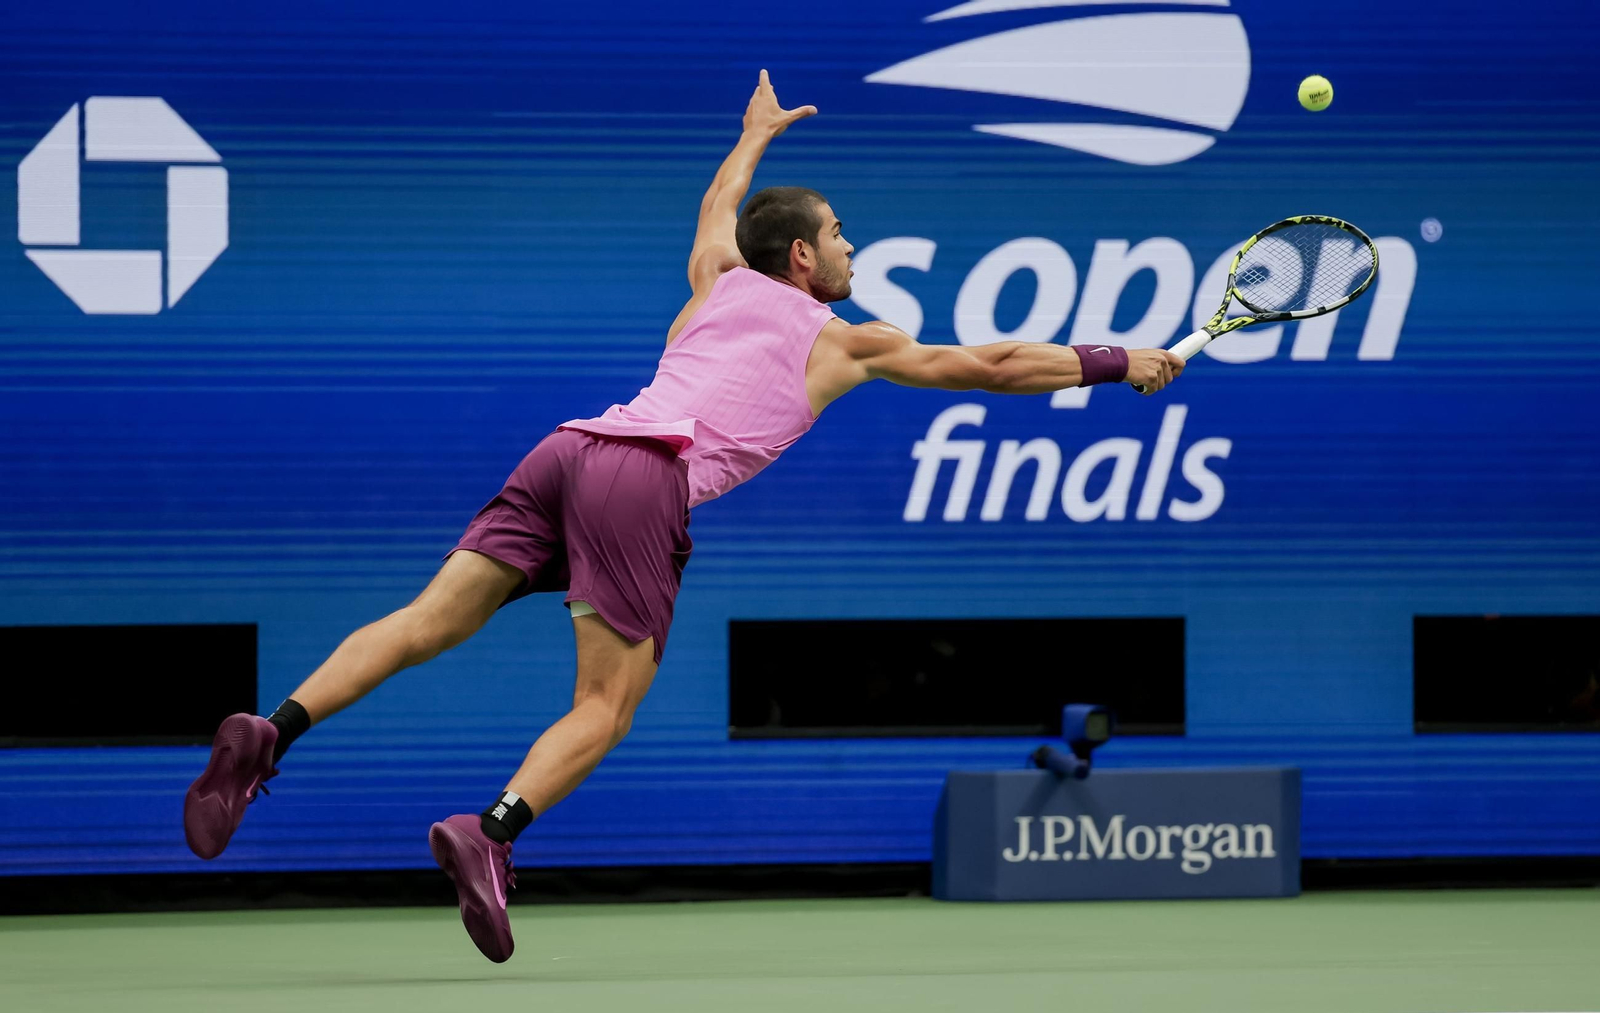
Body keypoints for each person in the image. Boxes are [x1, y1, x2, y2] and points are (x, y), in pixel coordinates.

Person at [182, 70, 1184, 963]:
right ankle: (489, 830)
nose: (851, 247)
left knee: (425, 622)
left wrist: (753, 138)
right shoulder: (844, 339)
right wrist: (1117, 360)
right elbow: (993, 365)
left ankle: (271, 730)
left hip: (566, 450)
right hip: (644, 480)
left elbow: (717, 208)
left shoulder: (716, 280)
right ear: (801, 255)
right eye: (838, 234)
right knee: (605, 708)